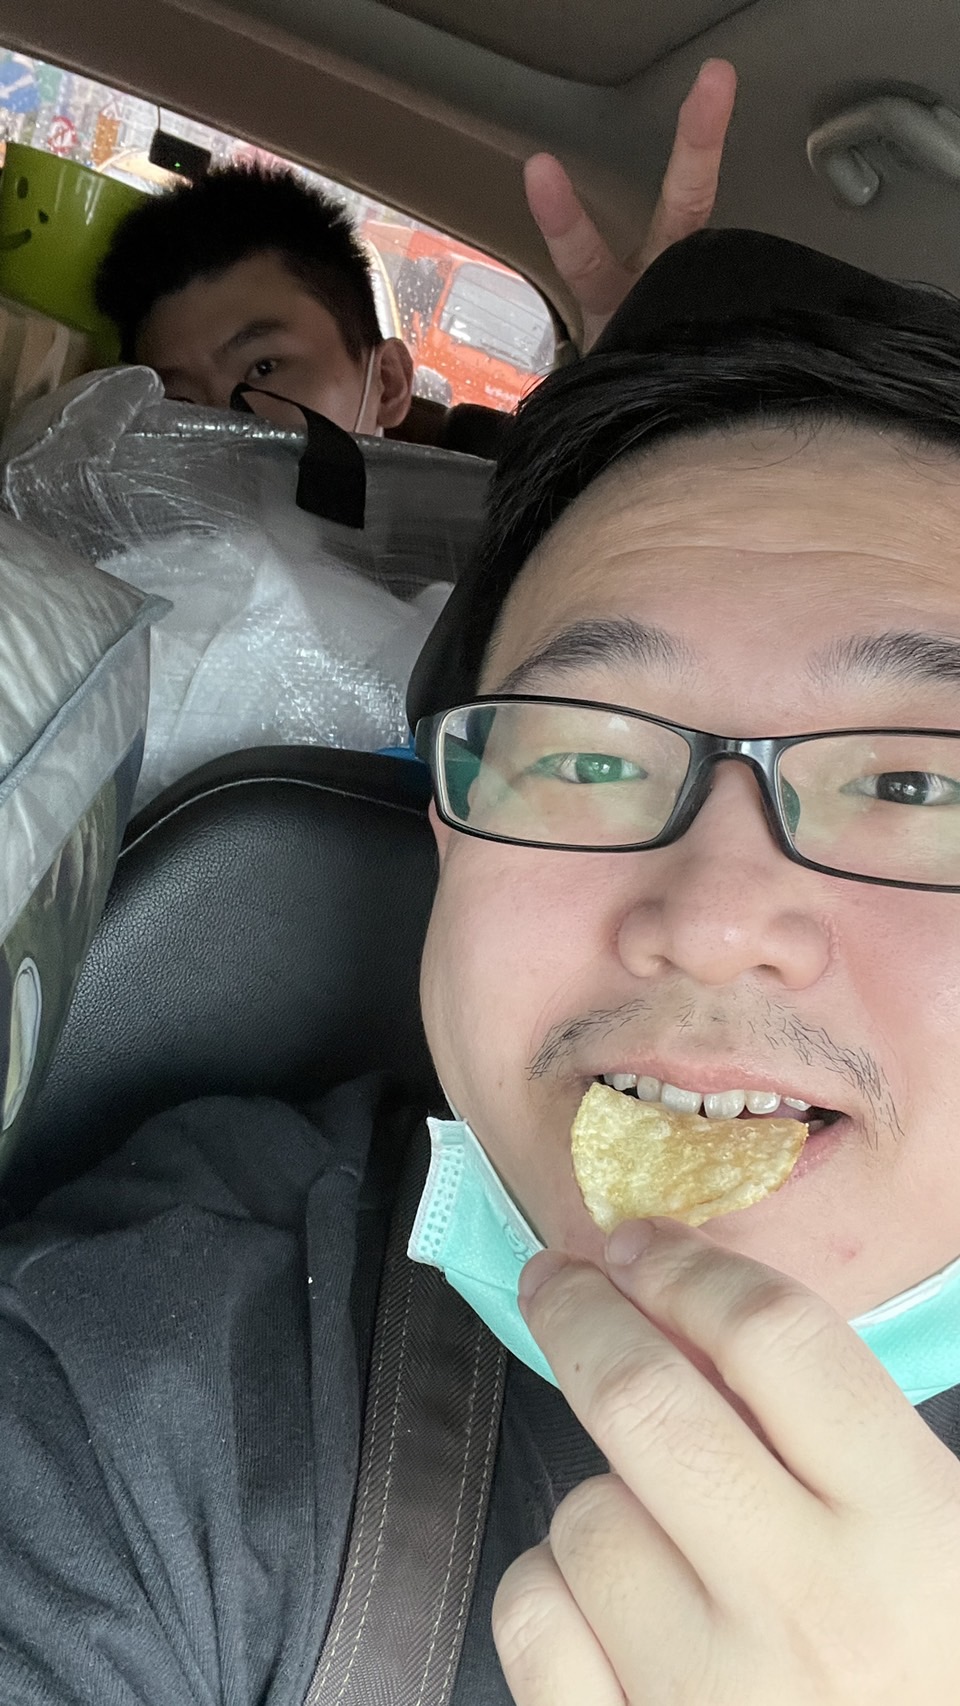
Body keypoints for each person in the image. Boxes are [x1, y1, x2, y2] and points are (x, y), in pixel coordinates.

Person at [5, 212, 960, 1702]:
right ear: (446, 827)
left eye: (913, 782)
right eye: (584, 758)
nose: (712, 919)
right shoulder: (160, 1381)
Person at [92, 61, 737, 433]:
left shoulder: (492, 576)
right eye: (178, 404)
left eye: (263, 369)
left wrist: (643, 402)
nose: (220, 428)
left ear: (389, 383)